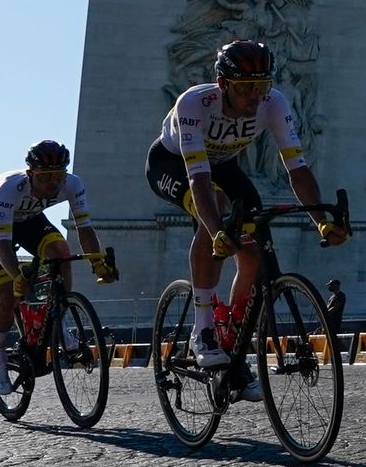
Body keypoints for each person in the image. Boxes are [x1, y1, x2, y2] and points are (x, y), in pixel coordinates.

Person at [147, 39, 349, 398]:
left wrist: (320, 218)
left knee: (254, 252)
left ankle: (234, 341)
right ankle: (204, 329)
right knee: (218, 212)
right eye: (245, 89)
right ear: (223, 85)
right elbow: (199, 179)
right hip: (174, 164)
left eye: (262, 86)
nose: (255, 97)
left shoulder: (274, 104)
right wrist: (216, 231)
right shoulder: (194, 103)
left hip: (224, 165)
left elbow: (298, 169)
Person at [0, 141, 118, 396]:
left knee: (61, 252)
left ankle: (60, 318)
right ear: (30, 174)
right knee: (8, 294)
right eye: (45, 177)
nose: (53, 184)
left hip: (32, 221)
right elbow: (3, 244)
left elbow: (84, 229)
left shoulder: (72, 184)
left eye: (58, 176)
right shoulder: (10, 188)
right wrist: (16, 275)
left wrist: (97, 262)